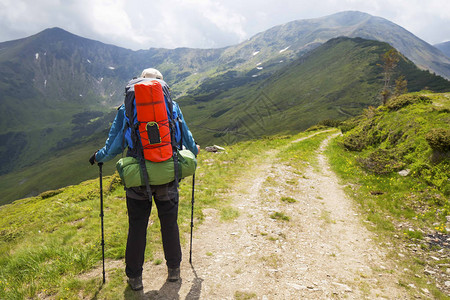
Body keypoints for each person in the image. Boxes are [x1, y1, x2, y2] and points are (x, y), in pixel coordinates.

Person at [89, 68, 199, 291]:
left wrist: (98, 157)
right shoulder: (172, 106)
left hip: (138, 175)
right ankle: (174, 272)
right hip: (168, 174)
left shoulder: (127, 107)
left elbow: (115, 145)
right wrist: (194, 150)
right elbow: (186, 137)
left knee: (137, 226)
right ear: (162, 87)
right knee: (169, 224)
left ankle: (135, 278)